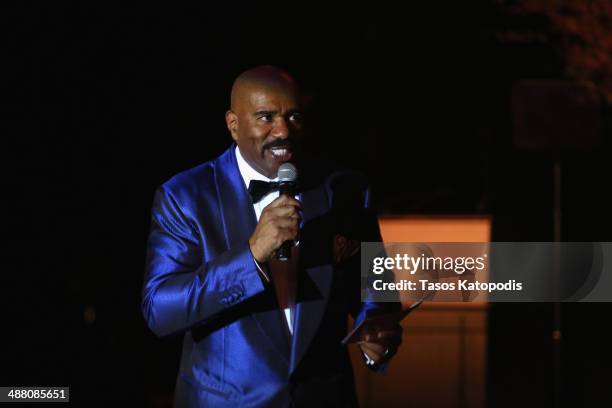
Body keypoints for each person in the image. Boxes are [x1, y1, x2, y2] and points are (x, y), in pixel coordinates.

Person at [142, 65, 402, 407]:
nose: (283, 130)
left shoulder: (345, 189)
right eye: (265, 117)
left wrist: (378, 334)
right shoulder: (186, 196)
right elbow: (160, 310)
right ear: (233, 125)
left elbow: (376, 293)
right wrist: (251, 256)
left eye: (293, 116)